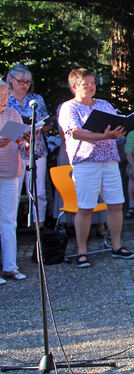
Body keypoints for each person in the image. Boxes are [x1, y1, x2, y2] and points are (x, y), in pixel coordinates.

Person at [58, 68, 134, 268]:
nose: (92, 87)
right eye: (86, 84)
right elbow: (76, 133)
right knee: (85, 208)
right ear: (75, 86)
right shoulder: (69, 107)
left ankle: (116, 246)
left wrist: (119, 131)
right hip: (86, 162)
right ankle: (82, 251)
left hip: (109, 160)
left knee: (116, 204)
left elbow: (115, 125)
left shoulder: (104, 104)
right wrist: (104, 136)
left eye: (93, 83)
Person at [6, 63, 49, 228]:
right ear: (10, 79)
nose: (25, 85)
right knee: (13, 192)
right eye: (21, 81)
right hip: (12, 152)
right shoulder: (5, 99)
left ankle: (40, 227)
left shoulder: (36, 99)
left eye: (28, 82)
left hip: (36, 150)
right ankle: (10, 228)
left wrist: (39, 126)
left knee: (39, 192)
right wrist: (20, 130)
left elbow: (46, 124)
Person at [0, 79, 29, 283]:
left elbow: (20, 143)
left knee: (9, 220)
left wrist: (26, 143)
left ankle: (10, 266)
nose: (3, 100)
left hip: (11, 170)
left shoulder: (13, 114)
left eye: (4, 96)